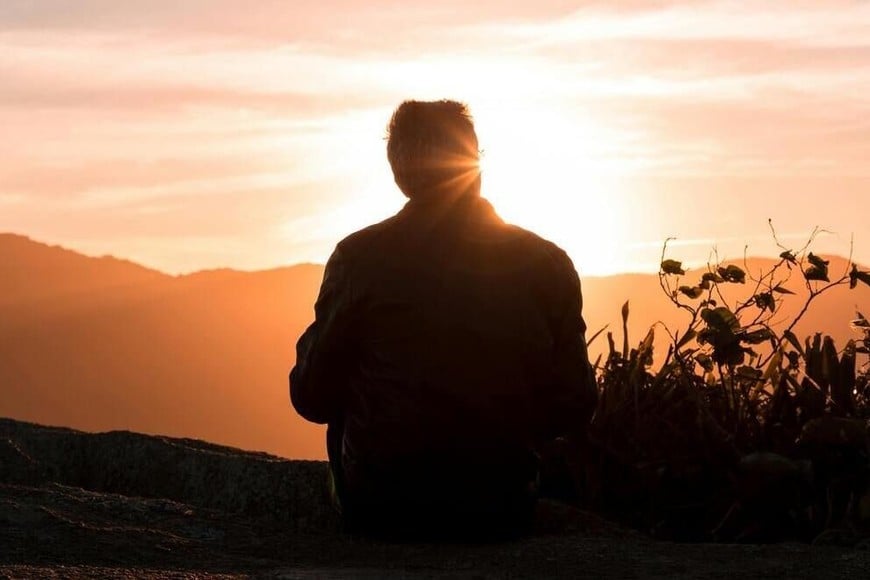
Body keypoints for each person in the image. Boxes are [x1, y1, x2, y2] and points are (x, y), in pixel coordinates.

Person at [289, 100, 597, 539]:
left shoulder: (358, 259)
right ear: (475, 162)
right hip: (500, 505)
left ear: (398, 172)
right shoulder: (549, 262)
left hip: (381, 505)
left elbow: (312, 397)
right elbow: (576, 401)